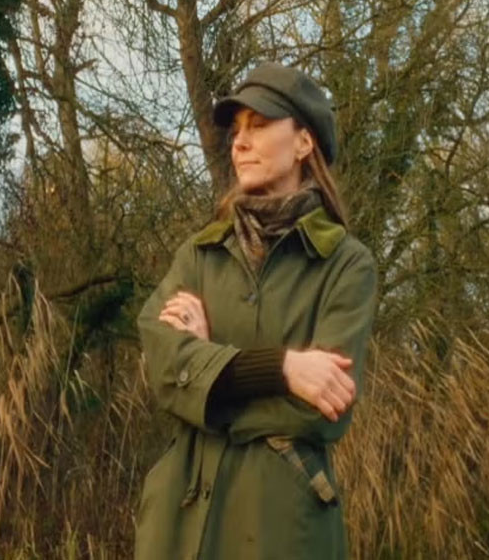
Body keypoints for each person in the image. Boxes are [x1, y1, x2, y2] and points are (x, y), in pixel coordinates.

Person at [132, 61, 379, 559]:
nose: (239, 142)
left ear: (304, 142)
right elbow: (163, 366)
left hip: (281, 527)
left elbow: (323, 412)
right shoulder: (200, 255)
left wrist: (206, 375)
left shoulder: (345, 265)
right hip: (181, 525)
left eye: (259, 125)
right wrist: (282, 369)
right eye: (237, 130)